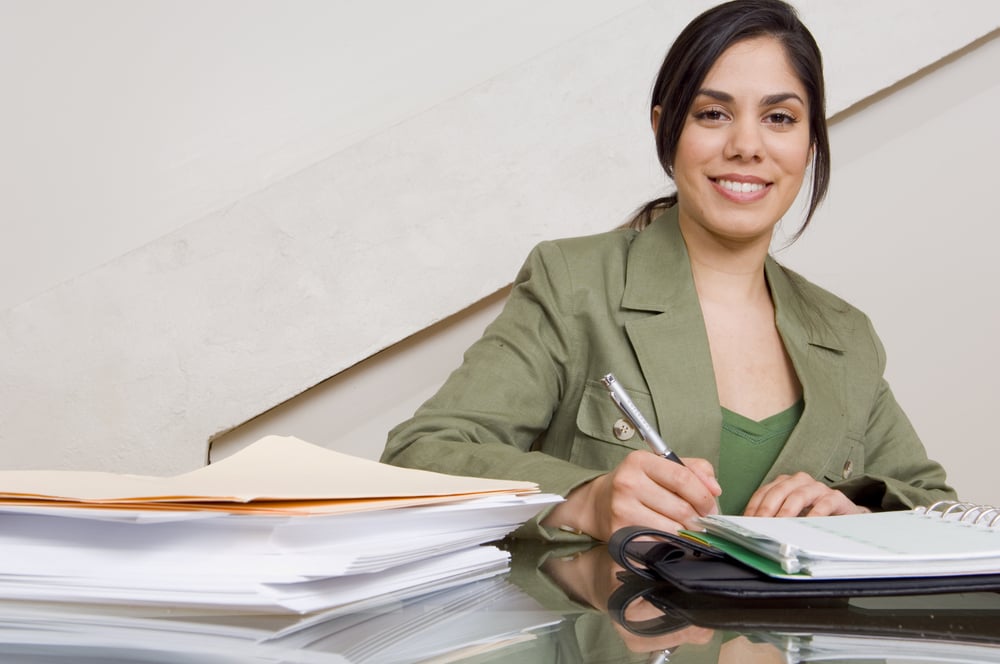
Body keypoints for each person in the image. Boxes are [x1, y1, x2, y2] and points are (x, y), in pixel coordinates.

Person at [381, 0, 955, 542]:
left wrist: (858, 518)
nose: (747, 145)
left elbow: (940, 508)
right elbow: (419, 458)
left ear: (809, 145)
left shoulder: (845, 335)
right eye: (713, 114)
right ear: (665, 128)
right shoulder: (575, 282)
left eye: (779, 117)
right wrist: (584, 501)